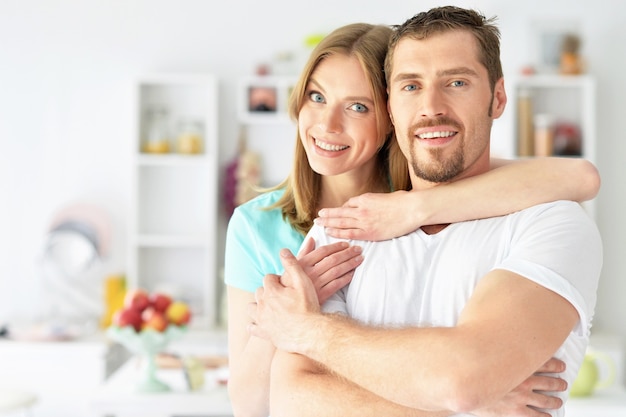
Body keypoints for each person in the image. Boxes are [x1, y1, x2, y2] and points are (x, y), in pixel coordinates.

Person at [227, 21, 600, 417]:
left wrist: (413, 208)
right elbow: (277, 399)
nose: (328, 124)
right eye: (316, 96)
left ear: (385, 116)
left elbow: (579, 178)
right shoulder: (294, 228)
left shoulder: (404, 205)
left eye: (358, 106)